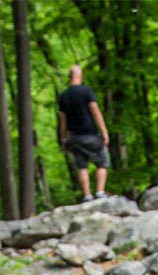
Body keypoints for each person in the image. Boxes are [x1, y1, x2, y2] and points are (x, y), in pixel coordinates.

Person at [57, 64, 110, 202]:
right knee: (102, 162)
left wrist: (63, 137)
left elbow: (63, 119)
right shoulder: (87, 91)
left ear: (69, 77)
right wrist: (104, 131)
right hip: (90, 134)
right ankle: (99, 192)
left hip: (74, 136)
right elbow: (95, 111)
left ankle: (87, 195)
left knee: (82, 165)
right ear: (80, 76)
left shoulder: (63, 96)